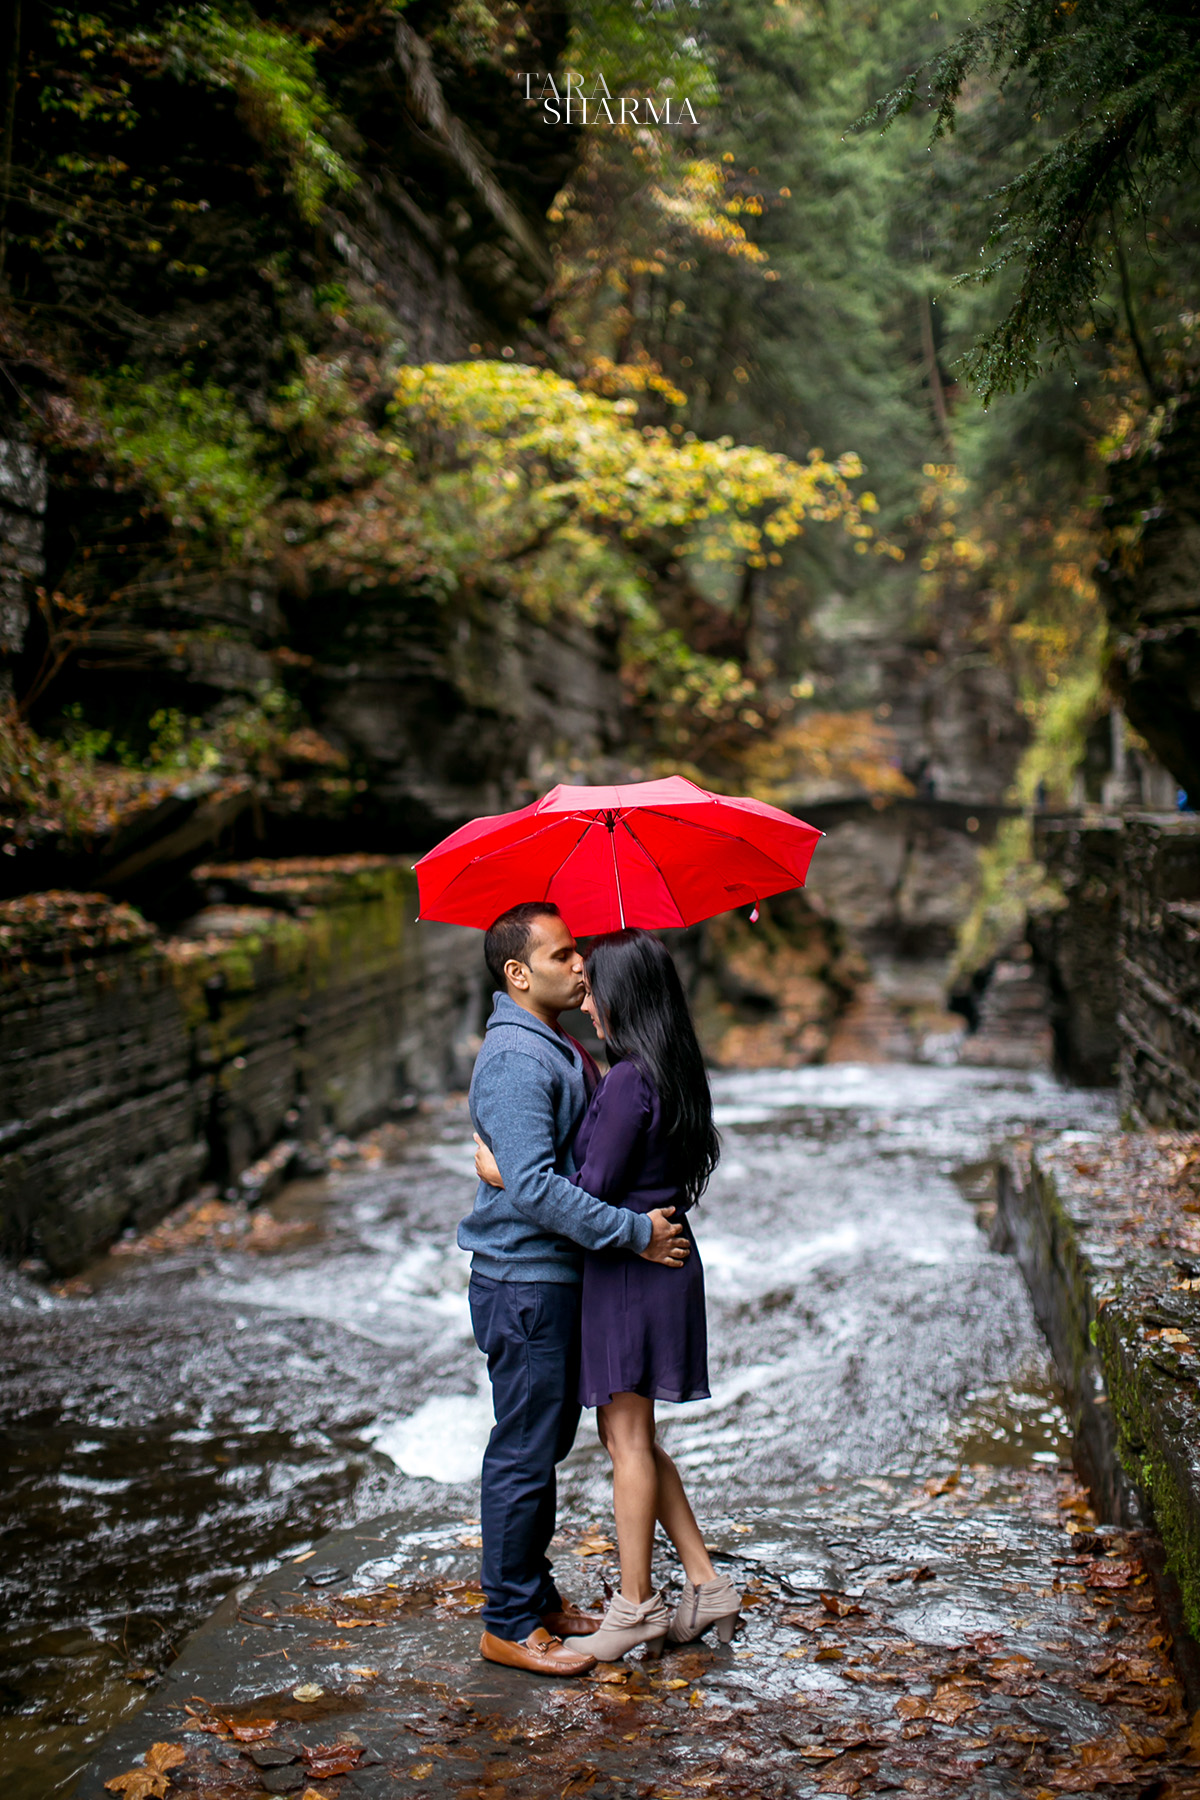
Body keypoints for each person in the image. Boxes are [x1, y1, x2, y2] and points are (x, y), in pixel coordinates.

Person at [474, 928, 741, 1661]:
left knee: (623, 1442)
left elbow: (588, 1187)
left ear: (623, 995)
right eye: (568, 964)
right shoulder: (653, 1065)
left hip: (631, 1270)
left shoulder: (622, 1076)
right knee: (626, 1441)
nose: (585, 989)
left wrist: (509, 1178)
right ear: (517, 973)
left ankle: (635, 1606)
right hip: (644, 1262)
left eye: (594, 980)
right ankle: (702, 1582)